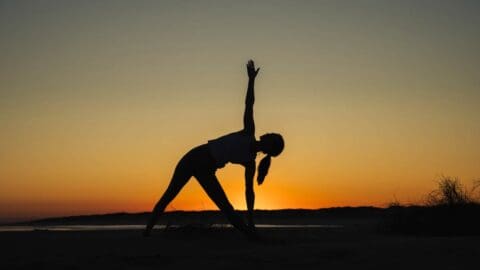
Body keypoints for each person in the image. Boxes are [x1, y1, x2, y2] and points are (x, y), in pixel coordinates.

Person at [144, 60, 284, 238]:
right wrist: (251, 80)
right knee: (168, 196)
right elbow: (249, 104)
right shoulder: (249, 132)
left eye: (272, 136)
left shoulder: (250, 161)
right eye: (271, 133)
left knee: (227, 208)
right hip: (193, 157)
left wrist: (251, 219)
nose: (268, 133)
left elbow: (249, 192)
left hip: (207, 171)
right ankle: (146, 233)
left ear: (269, 147)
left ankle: (250, 234)